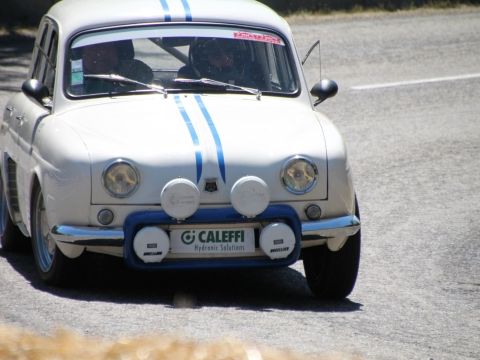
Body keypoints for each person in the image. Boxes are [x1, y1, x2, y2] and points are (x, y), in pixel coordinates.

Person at [80, 41, 153, 94]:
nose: (101, 53)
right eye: (94, 49)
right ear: (83, 54)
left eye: (106, 48)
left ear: (117, 52)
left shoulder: (134, 69)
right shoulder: (72, 77)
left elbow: (144, 92)